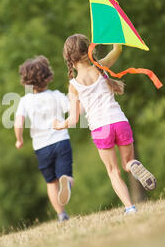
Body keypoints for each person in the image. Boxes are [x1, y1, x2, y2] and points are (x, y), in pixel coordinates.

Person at [54, 34, 156, 215]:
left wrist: (59, 125)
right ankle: (133, 166)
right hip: (119, 121)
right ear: (88, 50)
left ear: (68, 58)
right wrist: (112, 33)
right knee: (127, 163)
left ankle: (130, 208)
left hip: (101, 129)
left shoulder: (74, 85)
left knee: (113, 171)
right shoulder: (100, 67)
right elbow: (117, 49)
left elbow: (74, 119)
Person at [14, 55, 74, 222]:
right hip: (61, 140)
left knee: (51, 183)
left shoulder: (25, 101)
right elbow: (73, 108)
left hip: (41, 147)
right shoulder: (56, 95)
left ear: (26, 81)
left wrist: (19, 139)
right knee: (65, 175)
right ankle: (67, 183)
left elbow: (19, 122)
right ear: (48, 77)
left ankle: (61, 214)